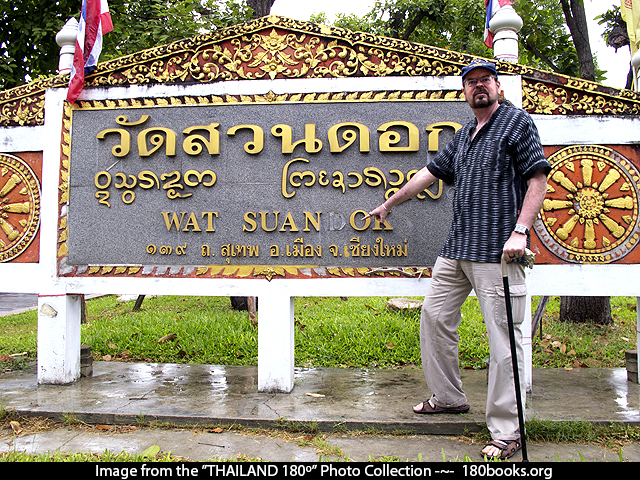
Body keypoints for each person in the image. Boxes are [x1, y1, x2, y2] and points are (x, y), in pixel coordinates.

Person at [364, 58, 550, 460]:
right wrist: (390, 203)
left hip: (499, 252)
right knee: (433, 317)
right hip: (457, 248)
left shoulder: (517, 124)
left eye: (485, 80)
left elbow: (538, 180)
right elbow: (428, 174)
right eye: (471, 83)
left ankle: (507, 430)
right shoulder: (465, 134)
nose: (478, 87)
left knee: (503, 338)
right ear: (464, 92)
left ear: (498, 87)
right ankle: (448, 397)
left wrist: (520, 231)